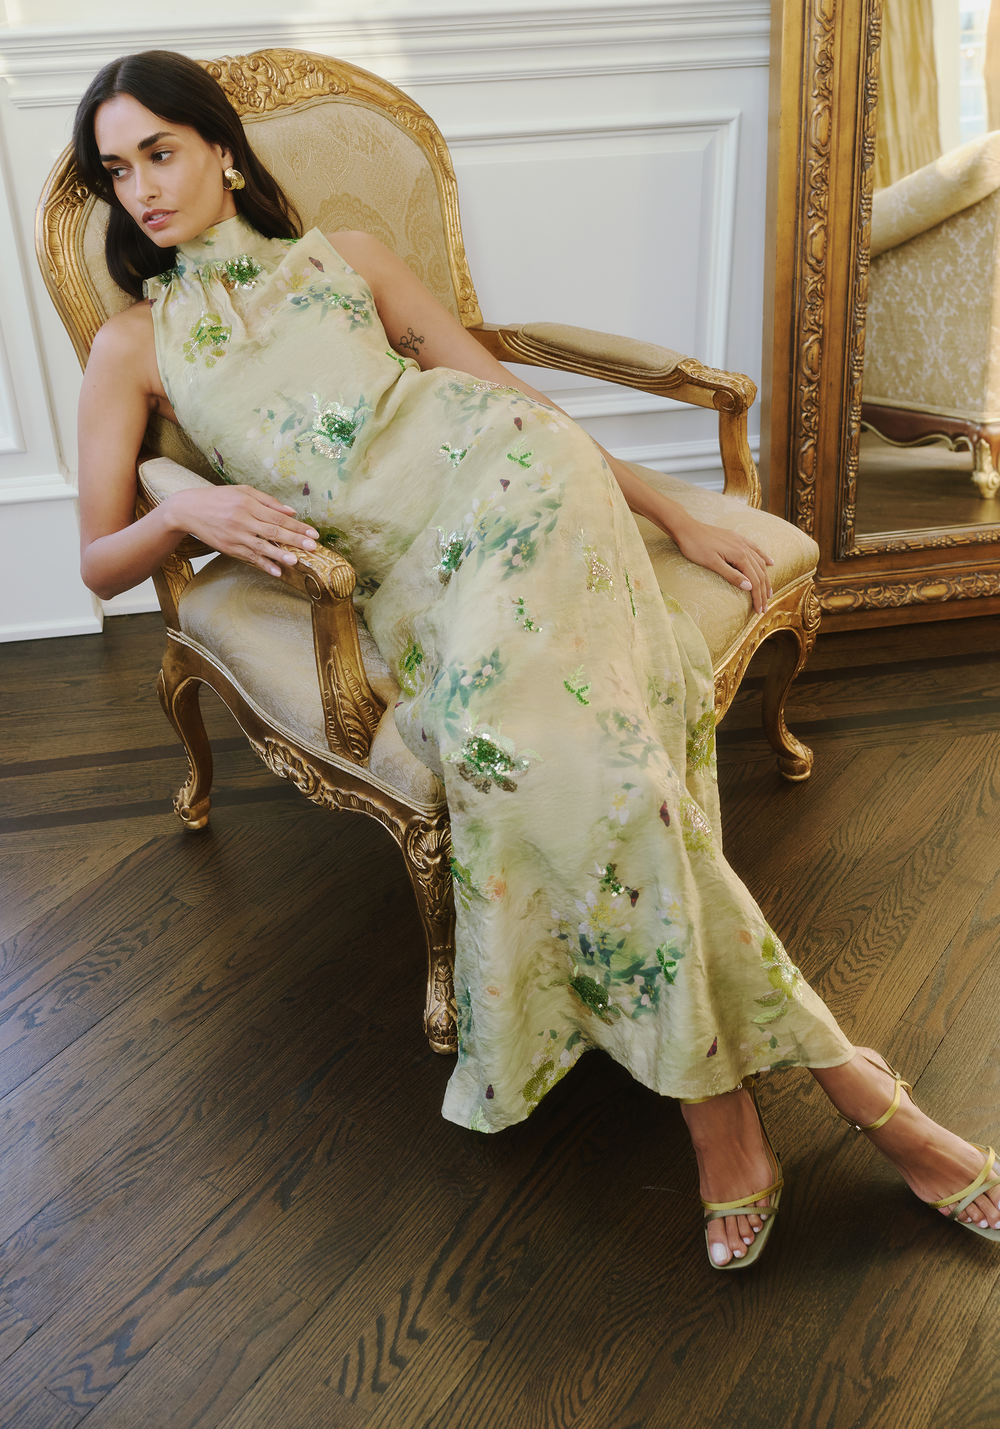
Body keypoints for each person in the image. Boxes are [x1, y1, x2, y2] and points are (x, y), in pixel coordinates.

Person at [72, 50, 999, 1269]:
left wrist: (671, 512)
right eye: (115, 169)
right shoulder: (133, 346)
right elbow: (98, 563)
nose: (140, 187)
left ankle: (723, 1122)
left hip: (523, 485)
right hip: (414, 580)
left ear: (224, 152)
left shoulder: (348, 259)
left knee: (562, 749)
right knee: (554, 761)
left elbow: (510, 396)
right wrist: (186, 511)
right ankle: (860, 1090)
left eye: (161, 152)